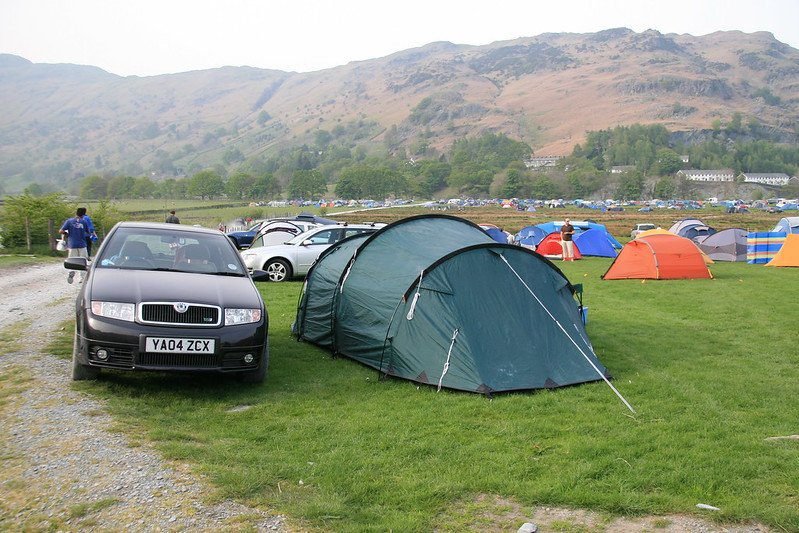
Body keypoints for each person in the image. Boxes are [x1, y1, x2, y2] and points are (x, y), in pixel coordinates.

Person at [59, 207, 90, 284]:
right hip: (82, 244)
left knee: (72, 261)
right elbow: (88, 232)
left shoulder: (69, 221)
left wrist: (67, 234)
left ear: (76, 213)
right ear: (83, 214)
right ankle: (82, 278)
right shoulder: (84, 222)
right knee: (83, 261)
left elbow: (61, 231)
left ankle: (71, 272)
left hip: (72, 244)